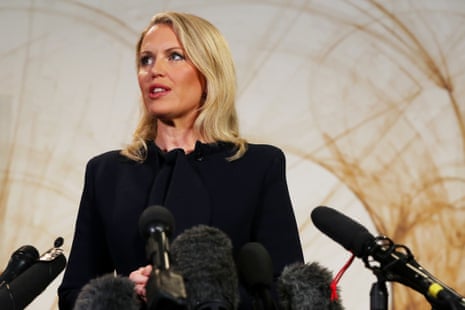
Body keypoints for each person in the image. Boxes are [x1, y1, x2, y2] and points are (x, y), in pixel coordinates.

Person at [58, 11, 304, 309]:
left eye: (174, 56)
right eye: (145, 60)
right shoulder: (107, 173)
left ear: (208, 71)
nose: (154, 71)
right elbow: (73, 293)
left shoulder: (258, 166)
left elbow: (286, 289)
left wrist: (204, 296)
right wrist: (125, 292)